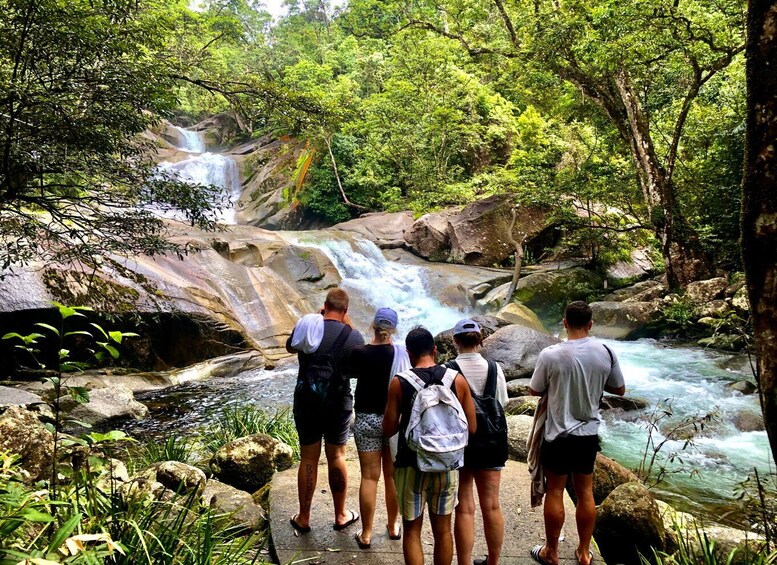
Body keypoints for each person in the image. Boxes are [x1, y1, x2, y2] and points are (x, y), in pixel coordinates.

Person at [529, 301, 626, 565]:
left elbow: (535, 390)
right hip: (588, 434)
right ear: (591, 324)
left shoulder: (550, 354)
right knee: (585, 492)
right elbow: (619, 389)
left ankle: (551, 551)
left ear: (564, 323)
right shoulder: (606, 351)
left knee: (556, 491)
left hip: (557, 435)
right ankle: (584, 552)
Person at [383, 327, 477, 565]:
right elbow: (472, 428)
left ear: (408, 353)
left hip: (411, 466)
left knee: (412, 530)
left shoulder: (399, 383)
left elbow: (389, 429)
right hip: (447, 467)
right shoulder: (457, 380)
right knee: (443, 530)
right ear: (435, 350)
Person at [286, 288, 365, 533]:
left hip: (306, 401)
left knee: (308, 457)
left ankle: (304, 517)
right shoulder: (353, 337)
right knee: (337, 456)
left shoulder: (308, 327)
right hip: (337, 403)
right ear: (346, 310)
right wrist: (347, 324)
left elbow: (290, 347)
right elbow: (357, 370)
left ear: (324, 306)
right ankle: (341, 515)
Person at [448, 319, 509, 565]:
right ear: (481, 340)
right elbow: (501, 404)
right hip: (492, 443)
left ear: (455, 341)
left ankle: (464, 562)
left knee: (464, 506)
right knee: (492, 505)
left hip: (462, 444)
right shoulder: (495, 369)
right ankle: (492, 561)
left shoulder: (449, 370)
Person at [350, 307, 410, 549]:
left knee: (369, 476)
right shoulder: (401, 353)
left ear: (372, 326)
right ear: (394, 329)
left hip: (366, 419)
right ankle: (394, 526)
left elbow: (350, 374)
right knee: (392, 475)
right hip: (393, 420)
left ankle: (366, 534)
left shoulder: (359, 352)